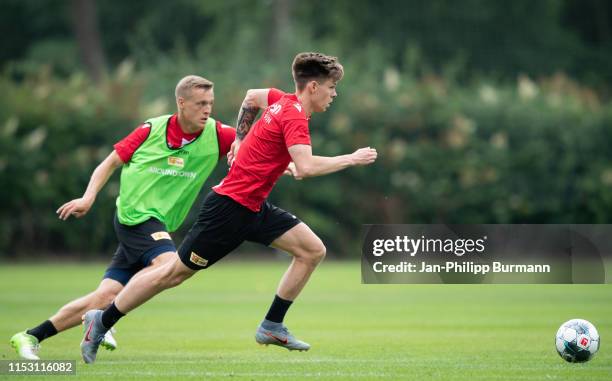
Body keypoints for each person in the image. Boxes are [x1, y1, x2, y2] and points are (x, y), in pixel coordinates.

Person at [79, 52, 377, 363]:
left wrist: (240, 138)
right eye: (331, 87)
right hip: (228, 211)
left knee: (312, 250)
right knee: (172, 275)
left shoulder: (280, 99)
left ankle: (272, 325)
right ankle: (102, 321)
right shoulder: (294, 116)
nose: (334, 94)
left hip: (253, 207)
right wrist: (352, 158)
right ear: (313, 87)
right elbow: (304, 167)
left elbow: (251, 97)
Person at [10, 75, 236, 360]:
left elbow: (253, 146)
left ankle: (31, 336)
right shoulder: (151, 129)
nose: (207, 109)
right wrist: (88, 197)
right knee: (169, 266)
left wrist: (286, 162)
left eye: (210, 103)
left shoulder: (218, 135)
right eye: (200, 103)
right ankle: (105, 319)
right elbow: (110, 162)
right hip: (135, 216)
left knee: (102, 298)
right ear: (181, 103)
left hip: (157, 223)